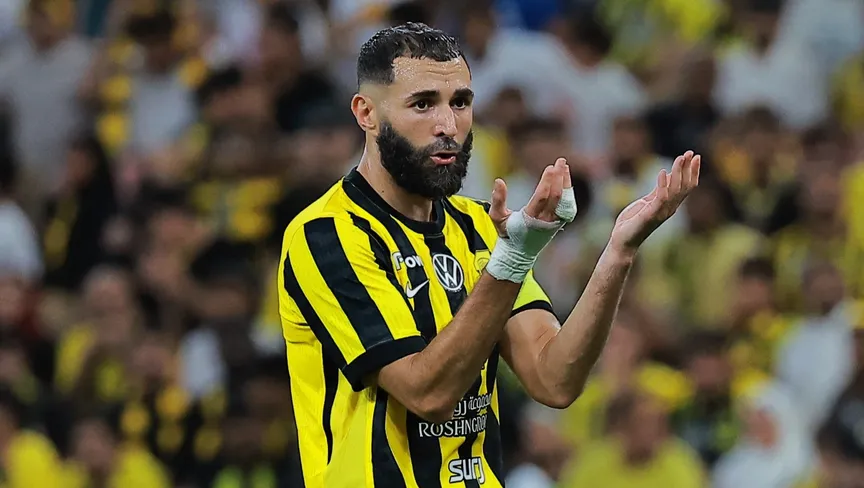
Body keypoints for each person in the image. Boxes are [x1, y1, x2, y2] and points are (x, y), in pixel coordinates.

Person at [277, 22, 700, 488]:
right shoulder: (327, 235)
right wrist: (512, 260)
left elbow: (554, 379)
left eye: (460, 102)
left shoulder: (479, 225)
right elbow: (427, 393)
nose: (448, 126)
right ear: (367, 113)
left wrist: (618, 252)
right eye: (423, 104)